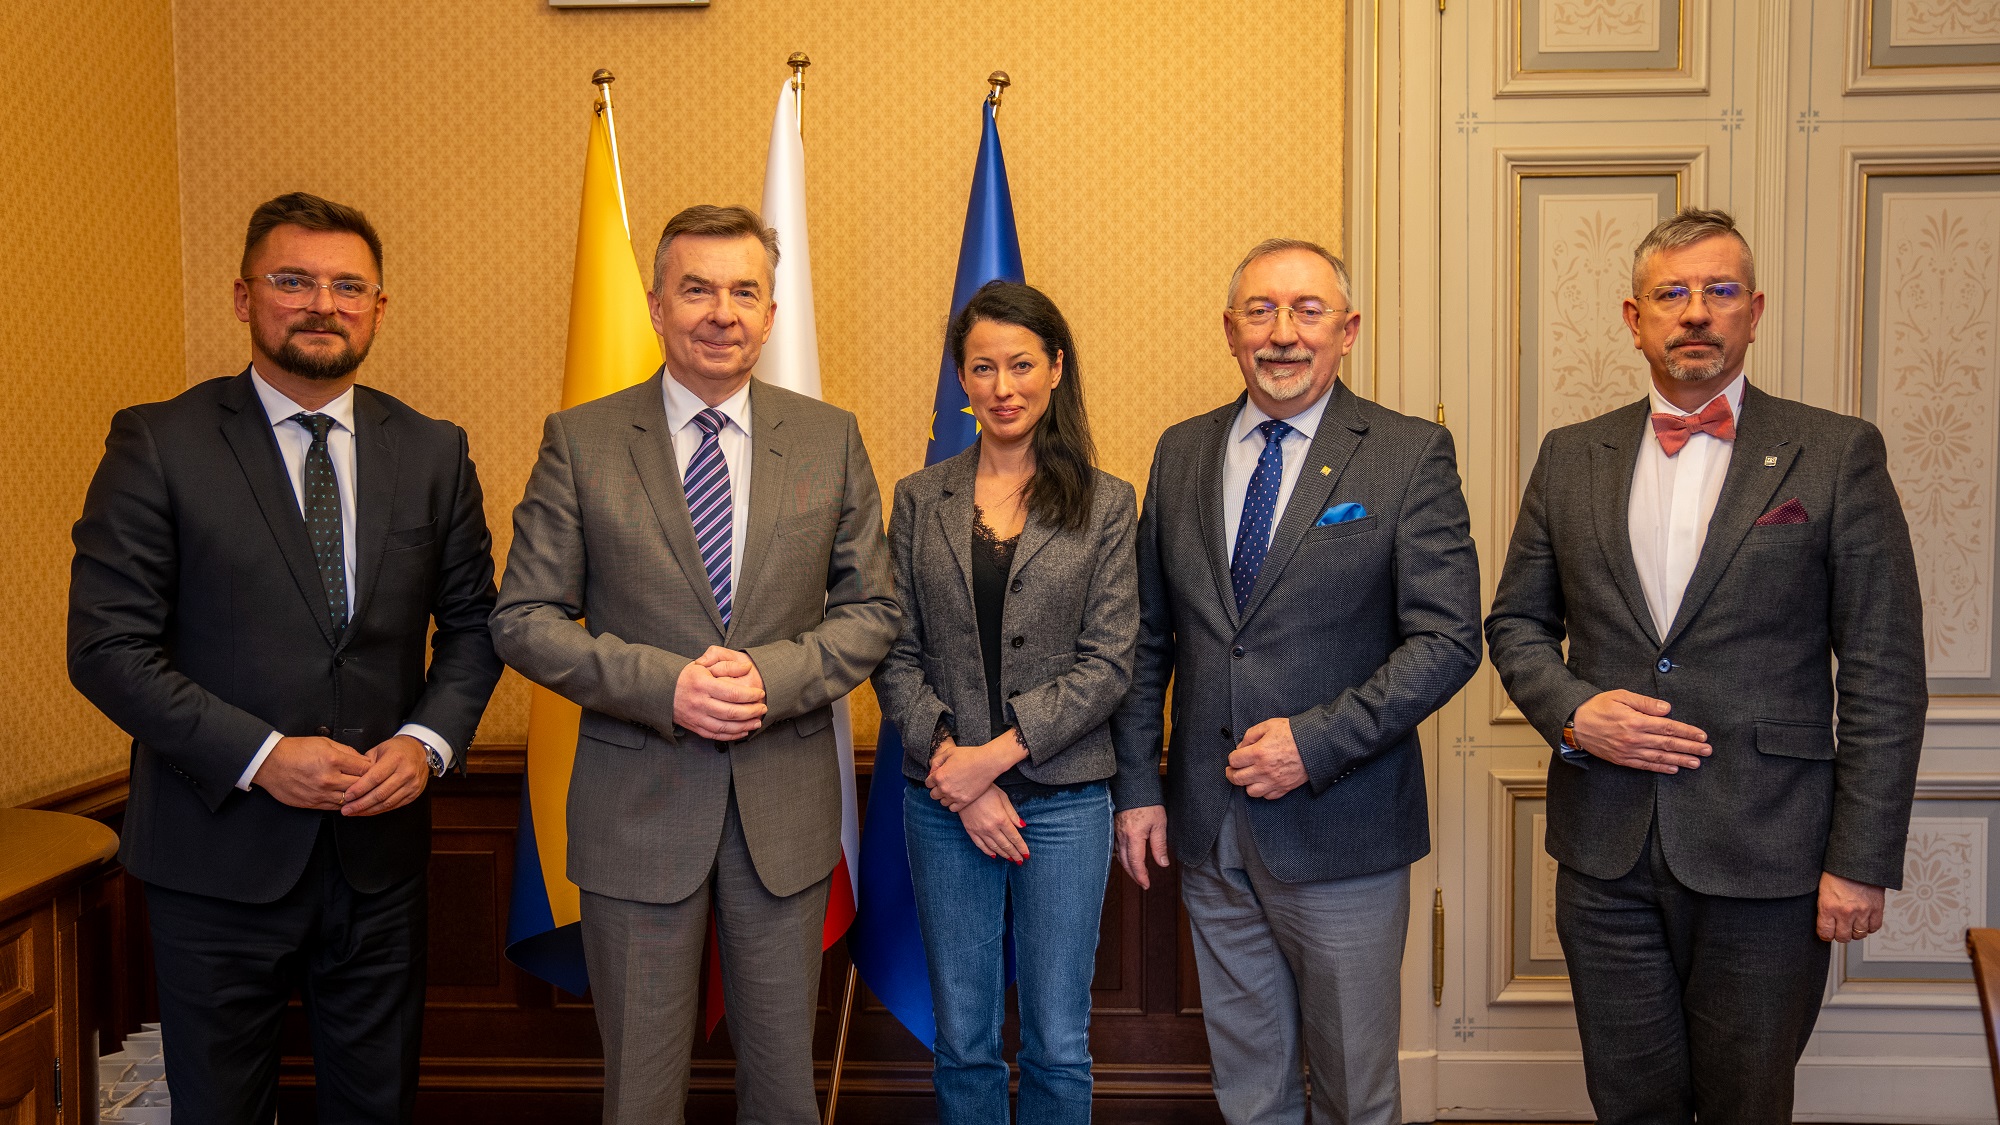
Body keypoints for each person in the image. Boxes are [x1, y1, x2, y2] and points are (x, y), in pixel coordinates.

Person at [68, 191, 503, 1125]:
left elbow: (475, 625)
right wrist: (262, 755)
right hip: (213, 857)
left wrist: (426, 742)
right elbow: (106, 646)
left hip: (379, 860)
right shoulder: (159, 442)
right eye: (293, 280)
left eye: (348, 286)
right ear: (243, 297)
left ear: (378, 307)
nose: (322, 304)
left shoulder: (434, 450)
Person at [1484, 207, 1926, 1124]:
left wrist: (1861, 860)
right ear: (1634, 318)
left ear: (1753, 312)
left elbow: (1883, 668)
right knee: (1630, 1103)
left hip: (1770, 854)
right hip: (1604, 855)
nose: (1695, 312)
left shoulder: (1836, 453)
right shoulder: (1570, 455)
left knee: (1746, 1105)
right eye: (1671, 293)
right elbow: (1517, 622)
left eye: (1720, 291)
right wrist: (1575, 711)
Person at [490, 204, 898, 1125]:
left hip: (783, 818)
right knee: (640, 1098)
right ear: (656, 305)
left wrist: (775, 677)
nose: (722, 312)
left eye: (744, 292)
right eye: (697, 290)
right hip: (636, 815)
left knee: (785, 1097)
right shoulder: (583, 440)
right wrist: (665, 686)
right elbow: (523, 618)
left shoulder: (829, 437)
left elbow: (875, 610)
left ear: (771, 312)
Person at [1111, 239, 1482, 1124]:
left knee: (1355, 1092)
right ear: (1229, 329)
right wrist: (1138, 787)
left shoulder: (1407, 453)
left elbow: (1448, 640)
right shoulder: (1182, 451)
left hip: (1343, 828)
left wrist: (1312, 744)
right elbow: (1148, 639)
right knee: (1251, 1092)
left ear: (1347, 330)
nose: (1283, 333)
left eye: (1308, 311)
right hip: (1209, 831)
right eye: (1262, 311)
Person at [871, 280, 1137, 1124]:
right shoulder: (919, 499)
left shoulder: (1108, 503)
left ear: (1056, 367)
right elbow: (893, 650)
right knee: (965, 1040)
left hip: (1066, 801)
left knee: (1058, 1042)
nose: (1003, 386)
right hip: (943, 801)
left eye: (1021, 364)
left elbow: (1109, 663)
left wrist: (994, 758)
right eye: (983, 367)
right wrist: (959, 772)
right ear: (961, 378)